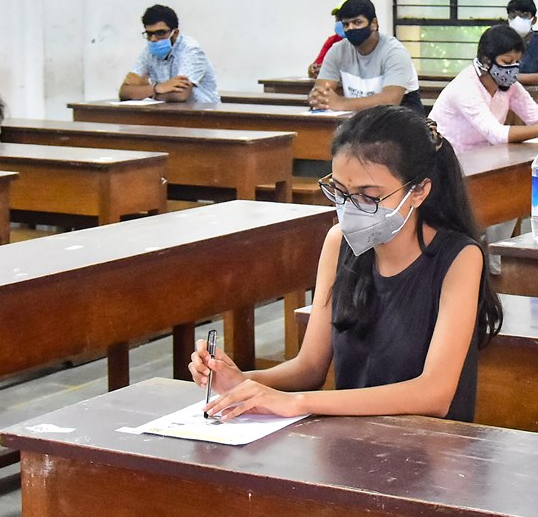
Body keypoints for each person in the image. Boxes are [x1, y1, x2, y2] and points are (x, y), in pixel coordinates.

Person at [189, 105, 503, 422]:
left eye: (369, 196)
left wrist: (297, 402)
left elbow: (434, 394)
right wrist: (240, 380)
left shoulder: (459, 258)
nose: (350, 207)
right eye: (340, 191)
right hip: (351, 445)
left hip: (431, 453)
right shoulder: (339, 242)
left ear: (419, 190)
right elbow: (309, 368)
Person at [428, 24, 538, 153]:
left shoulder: (510, 85)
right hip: (449, 159)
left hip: (484, 156)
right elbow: (497, 134)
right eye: (507, 62)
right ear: (486, 61)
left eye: (517, 62)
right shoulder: (465, 87)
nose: (513, 68)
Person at [310, 0, 424, 114]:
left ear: (373, 24)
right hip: (359, 123)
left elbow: (390, 101)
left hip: (402, 124)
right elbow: (320, 93)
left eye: (357, 22)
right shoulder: (337, 51)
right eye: (346, 25)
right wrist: (318, 99)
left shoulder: (395, 52)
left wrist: (340, 103)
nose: (351, 28)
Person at [118, 4, 219, 103]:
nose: (153, 39)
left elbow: (180, 95)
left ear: (175, 33)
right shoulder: (149, 51)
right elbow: (124, 92)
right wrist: (158, 87)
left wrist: (144, 92)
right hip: (167, 113)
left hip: (204, 114)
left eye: (160, 33)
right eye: (149, 34)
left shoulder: (191, 50)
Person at [307, 4, 345, 79]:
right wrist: (313, 69)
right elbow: (317, 65)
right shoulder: (333, 41)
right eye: (337, 19)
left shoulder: (363, 41)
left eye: (342, 18)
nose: (339, 22)